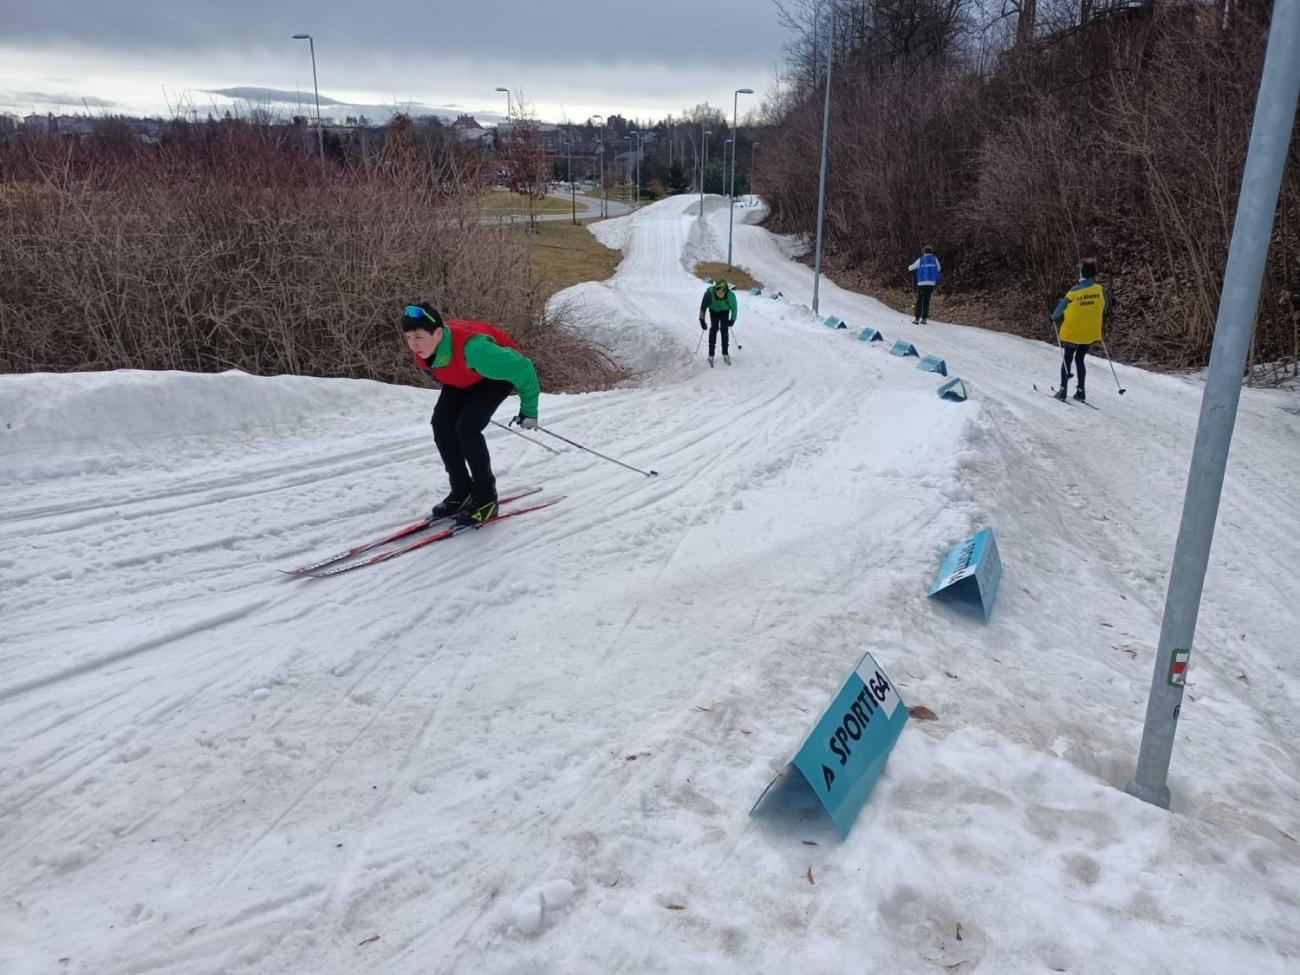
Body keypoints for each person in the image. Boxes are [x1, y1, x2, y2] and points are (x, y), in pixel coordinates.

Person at [400, 303, 540, 524]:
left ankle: (486, 499)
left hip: (495, 375)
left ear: (437, 333)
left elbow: (524, 368)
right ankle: (462, 490)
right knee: (441, 425)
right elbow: (447, 370)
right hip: (466, 374)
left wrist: (529, 411)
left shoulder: (475, 348)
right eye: (408, 338)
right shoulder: (425, 351)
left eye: (418, 336)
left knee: (467, 429)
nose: (413, 344)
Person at [1051, 259, 1108, 402]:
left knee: (1067, 360)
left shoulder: (1075, 291)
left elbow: (1061, 308)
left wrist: (1053, 317)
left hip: (1073, 333)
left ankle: (1063, 391)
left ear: (1082, 273)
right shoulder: (1099, 289)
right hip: (1089, 332)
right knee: (1080, 359)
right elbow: (1105, 307)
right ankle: (1081, 392)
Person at [698, 278, 739, 366]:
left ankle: (725, 353)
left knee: (724, 330)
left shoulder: (730, 296)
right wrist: (702, 320)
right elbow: (703, 307)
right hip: (713, 310)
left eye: (721, 292)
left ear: (725, 291)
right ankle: (711, 355)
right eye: (717, 292)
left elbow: (734, 308)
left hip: (725, 311)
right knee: (714, 329)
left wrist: (732, 320)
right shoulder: (709, 294)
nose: (719, 294)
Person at [907, 246, 941, 324]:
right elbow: (938, 268)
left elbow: (911, 268)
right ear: (931, 252)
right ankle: (924, 319)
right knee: (926, 300)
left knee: (919, 300)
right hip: (931, 283)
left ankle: (917, 319)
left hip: (921, 282)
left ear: (924, 252)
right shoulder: (934, 259)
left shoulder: (921, 259)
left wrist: (908, 267)